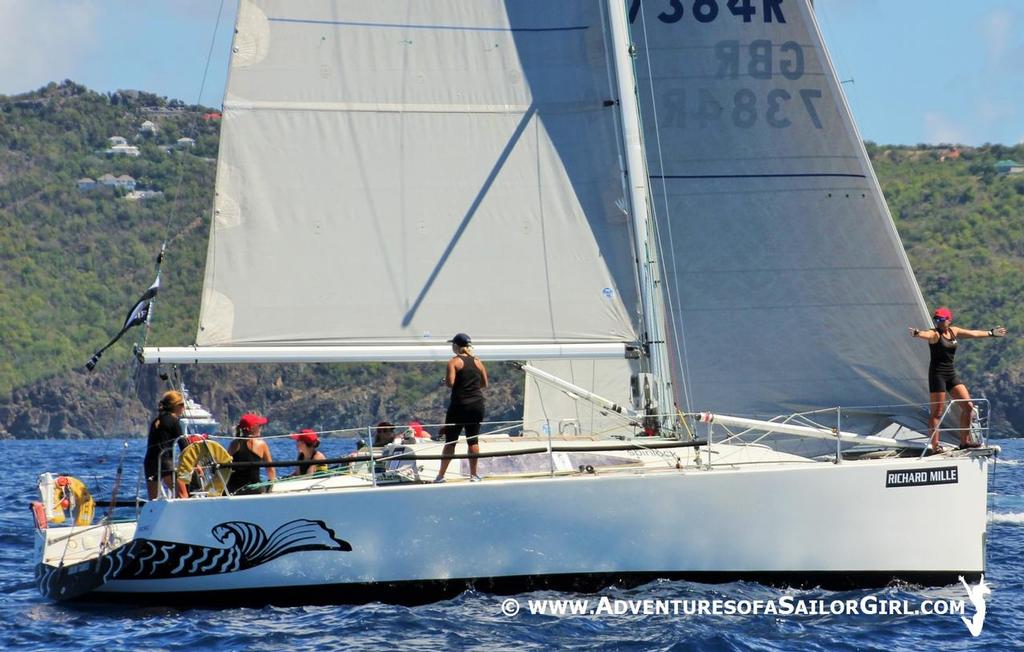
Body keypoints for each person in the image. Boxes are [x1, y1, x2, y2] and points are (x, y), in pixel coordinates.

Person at [909, 307, 1006, 452]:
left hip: (951, 374)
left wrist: (990, 333)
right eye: (936, 319)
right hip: (937, 375)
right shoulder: (935, 334)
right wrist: (918, 333)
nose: (938, 322)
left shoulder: (954, 331)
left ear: (949, 319)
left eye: (941, 319)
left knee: (968, 406)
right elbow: (926, 334)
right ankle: (935, 446)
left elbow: (973, 333)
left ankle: (964, 442)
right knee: (937, 413)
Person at [434, 332, 488, 483]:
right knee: (473, 440)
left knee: (451, 441)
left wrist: (447, 380)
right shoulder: (478, 361)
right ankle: (474, 475)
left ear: (456, 346)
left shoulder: (454, 362)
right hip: (477, 405)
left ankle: (440, 476)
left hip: (460, 405)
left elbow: (450, 383)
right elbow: (484, 384)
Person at [144, 390, 186, 500]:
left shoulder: (156, 421)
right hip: (164, 463)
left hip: (150, 463)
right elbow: (184, 446)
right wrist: (197, 465)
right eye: (182, 405)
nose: (184, 408)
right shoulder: (173, 421)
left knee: (153, 501)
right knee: (183, 495)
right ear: (177, 405)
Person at [226, 413, 276, 494]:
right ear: (253, 428)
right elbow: (271, 470)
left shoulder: (233, 444)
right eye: (260, 426)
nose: (261, 428)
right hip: (254, 490)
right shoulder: (261, 444)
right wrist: (270, 487)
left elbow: (226, 467)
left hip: (233, 489)